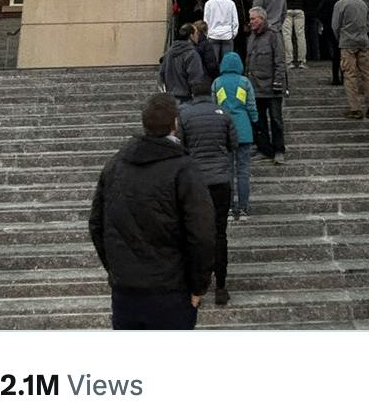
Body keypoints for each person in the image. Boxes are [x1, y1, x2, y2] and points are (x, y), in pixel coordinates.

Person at [89, 93, 215, 329]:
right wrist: (199, 285)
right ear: (175, 124)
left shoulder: (114, 166)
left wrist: (117, 271)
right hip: (171, 291)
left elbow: (96, 224)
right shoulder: (184, 169)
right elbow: (202, 233)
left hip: (126, 291)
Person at [179, 78, 238, 305]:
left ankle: (198, 288)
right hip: (221, 181)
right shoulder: (223, 112)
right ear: (211, 92)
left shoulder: (184, 115)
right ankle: (221, 287)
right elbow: (233, 143)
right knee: (219, 234)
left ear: (192, 93)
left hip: (196, 184)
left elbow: (181, 146)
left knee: (195, 235)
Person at [212, 51, 260, 221]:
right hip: (244, 129)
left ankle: (230, 209)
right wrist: (255, 121)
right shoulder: (244, 82)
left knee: (228, 171)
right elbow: (251, 105)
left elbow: (214, 105)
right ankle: (244, 208)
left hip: (224, 129)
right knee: (243, 170)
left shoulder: (217, 83)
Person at [244, 6, 287, 164]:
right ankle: (264, 149)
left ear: (262, 19)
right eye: (250, 19)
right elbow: (248, 63)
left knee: (276, 120)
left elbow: (280, 61)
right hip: (255, 87)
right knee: (258, 120)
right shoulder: (251, 37)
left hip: (271, 87)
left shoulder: (273, 36)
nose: (251, 22)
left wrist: (278, 82)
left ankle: (279, 150)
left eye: (254, 19)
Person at [332, 0, 369, 119]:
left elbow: (335, 25)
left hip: (347, 42)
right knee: (366, 74)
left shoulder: (340, 4)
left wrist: (340, 38)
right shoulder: (362, 4)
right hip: (363, 41)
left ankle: (355, 108)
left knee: (350, 75)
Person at [276, 0, 310, 68]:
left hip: (286, 9)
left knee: (287, 35)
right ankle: (302, 61)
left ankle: (289, 61)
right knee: (300, 35)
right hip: (299, 9)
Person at [162, 23, 205, 102]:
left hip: (170, 98)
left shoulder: (169, 53)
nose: (198, 36)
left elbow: (162, 74)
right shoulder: (192, 54)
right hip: (186, 99)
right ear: (191, 36)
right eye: (196, 33)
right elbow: (196, 78)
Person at [202, 0, 238, 64]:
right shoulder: (231, 3)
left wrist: (207, 34)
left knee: (214, 62)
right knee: (228, 63)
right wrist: (233, 34)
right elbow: (235, 21)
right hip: (227, 35)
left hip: (213, 35)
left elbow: (206, 20)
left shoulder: (208, 4)